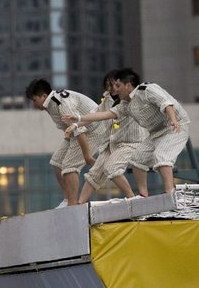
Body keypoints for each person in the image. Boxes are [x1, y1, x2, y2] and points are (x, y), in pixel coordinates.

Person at [63, 68, 190, 195]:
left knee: (161, 155)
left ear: (128, 85)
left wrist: (173, 119)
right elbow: (105, 114)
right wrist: (78, 118)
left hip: (174, 127)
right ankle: (142, 195)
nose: (115, 89)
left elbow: (166, 103)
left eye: (118, 86)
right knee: (137, 160)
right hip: (155, 133)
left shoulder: (147, 89)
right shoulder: (126, 104)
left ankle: (169, 191)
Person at [69, 70, 148, 203]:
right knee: (94, 174)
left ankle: (133, 199)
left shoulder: (128, 99)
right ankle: (80, 204)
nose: (112, 88)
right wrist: (76, 124)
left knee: (112, 168)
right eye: (108, 85)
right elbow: (96, 114)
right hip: (111, 143)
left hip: (131, 142)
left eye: (115, 85)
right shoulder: (107, 99)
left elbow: (104, 115)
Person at [25, 79, 106, 207]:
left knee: (69, 167)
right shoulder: (51, 102)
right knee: (57, 162)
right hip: (78, 132)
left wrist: (87, 156)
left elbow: (79, 129)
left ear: (44, 96)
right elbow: (72, 129)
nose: (33, 104)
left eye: (34, 100)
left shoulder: (60, 103)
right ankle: (68, 199)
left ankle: (73, 205)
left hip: (95, 129)